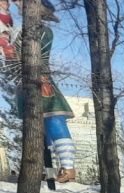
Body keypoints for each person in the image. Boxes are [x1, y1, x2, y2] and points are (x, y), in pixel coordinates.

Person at [9, 0, 76, 182]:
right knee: (38, 129)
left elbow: (33, 54)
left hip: (42, 81)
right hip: (26, 84)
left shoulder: (44, 32)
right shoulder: (22, 32)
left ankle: (69, 167)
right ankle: (44, 170)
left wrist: (13, 41)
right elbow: (11, 61)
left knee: (55, 120)